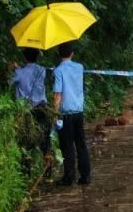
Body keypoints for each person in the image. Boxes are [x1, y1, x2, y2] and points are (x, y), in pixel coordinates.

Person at [53, 41, 91, 186]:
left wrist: (54, 114)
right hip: (79, 112)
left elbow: (57, 95)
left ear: (58, 54)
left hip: (65, 114)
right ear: (72, 53)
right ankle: (85, 176)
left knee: (67, 145)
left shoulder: (58, 71)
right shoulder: (80, 68)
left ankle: (69, 178)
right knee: (81, 144)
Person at [11, 48, 52, 160]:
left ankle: (27, 170)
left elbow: (10, 82)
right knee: (45, 140)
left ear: (24, 57)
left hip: (27, 111)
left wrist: (14, 69)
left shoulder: (19, 73)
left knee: (25, 141)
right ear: (37, 57)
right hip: (42, 108)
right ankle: (47, 170)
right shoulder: (42, 70)